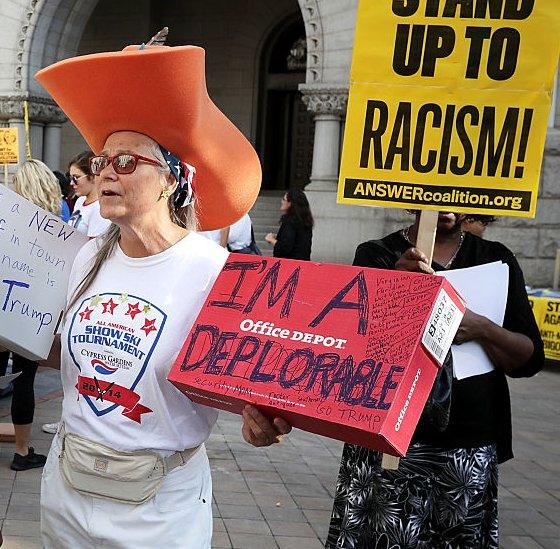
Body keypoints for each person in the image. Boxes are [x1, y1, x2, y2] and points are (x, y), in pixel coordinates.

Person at [35, 40, 263, 546]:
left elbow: (240, 381)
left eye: (125, 162)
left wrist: (260, 415)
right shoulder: (86, 257)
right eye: (101, 163)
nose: (106, 173)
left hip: (159, 507)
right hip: (68, 489)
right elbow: (72, 357)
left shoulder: (214, 272)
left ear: (170, 182)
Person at [248, 211, 545, 548]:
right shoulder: (377, 254)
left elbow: (528, 359)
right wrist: (393, 289)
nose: (444, 206)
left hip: (467, 449)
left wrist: (481, 328)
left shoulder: (497, 259)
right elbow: (349, 349)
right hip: (388, 446)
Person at [0, 159, 59, 471]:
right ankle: (22, 451)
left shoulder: (2, 220)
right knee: (24, 380)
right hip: (31, 313)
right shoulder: (56, 231)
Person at [67, 149, 112, 237]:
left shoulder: (100, 208)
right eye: (71, 178)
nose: (71, 183)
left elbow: (94, 246)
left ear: (92, 176)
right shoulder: (80, 200)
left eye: (76, 178)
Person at [265, 188, 313, 260]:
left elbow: (285, 248)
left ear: (290, 203)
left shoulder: (290, 222)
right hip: (303, 265)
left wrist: (272, 239)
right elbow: (297, 243)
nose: (281, 201)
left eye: (284, 199)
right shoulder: (305, 221)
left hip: (290, 266)